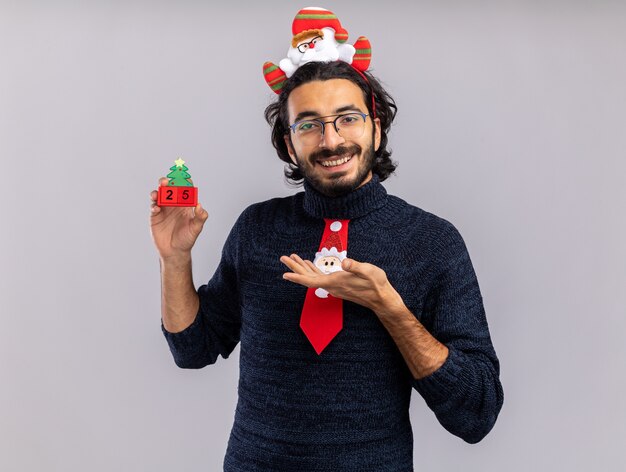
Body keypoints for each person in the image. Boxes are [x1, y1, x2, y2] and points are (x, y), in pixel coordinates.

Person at [150, 45, 503, 472]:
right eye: (309, 125)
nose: (331, 139)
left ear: (375, 128)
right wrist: (175, 260)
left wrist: (388, 307)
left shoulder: (432, 242)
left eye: (347, 119)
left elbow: (477, 412)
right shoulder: (256, 228)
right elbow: (193, 349)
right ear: (289, 143)